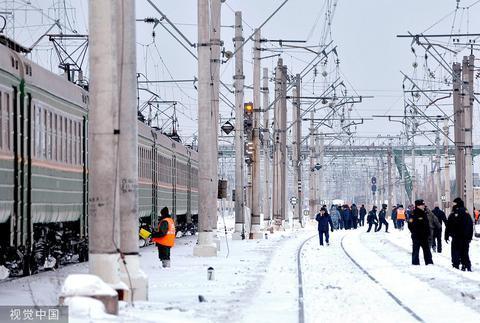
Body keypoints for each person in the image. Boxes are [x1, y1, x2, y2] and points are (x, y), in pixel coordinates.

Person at [445, 197, 473, 271]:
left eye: (454, 204)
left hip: (457, 236)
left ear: (457, 204)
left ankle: (456, 265)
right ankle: (466, 265)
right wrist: (469, 237)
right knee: (465, 252)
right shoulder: (466, 212)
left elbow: (449, 225)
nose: (453, 205)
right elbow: (470, 225)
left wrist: (447, 235)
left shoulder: (455, 213)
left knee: (455, 251)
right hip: (465, 237)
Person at [407, 199, 433, 266]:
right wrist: (414, 231)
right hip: (417, 236)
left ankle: (429, 263)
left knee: (427, 251)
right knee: (416, 250)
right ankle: (415, 263)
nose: (423, 206)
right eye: (422, 205)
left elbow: (427, 224)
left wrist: (428, 233)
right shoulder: (413, 214)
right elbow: (409, 224)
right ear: (418, 206)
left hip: (424, 236)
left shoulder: (424, 213)